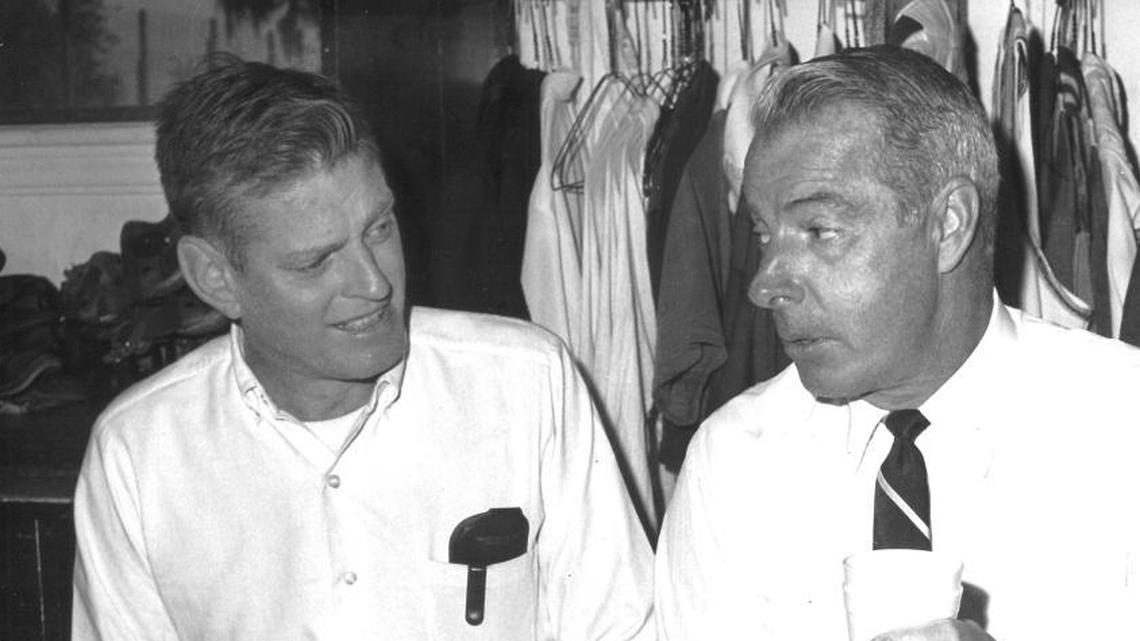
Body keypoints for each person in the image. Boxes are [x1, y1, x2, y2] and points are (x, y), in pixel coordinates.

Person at [71, 57, 655, 641]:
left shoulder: (528, 383)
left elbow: (623, 628)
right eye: (316, 261)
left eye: (379, 228)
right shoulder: (139, 454)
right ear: (214, 278)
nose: (375, 283)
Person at [655, 46, 1140, 641]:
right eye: (763, 233)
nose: (763, 285)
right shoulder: (732, 461)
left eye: (820, 230)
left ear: (949, 225)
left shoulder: (1124, 422)